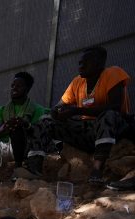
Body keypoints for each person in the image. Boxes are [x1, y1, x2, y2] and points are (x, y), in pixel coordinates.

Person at [24, 46, 132, 184]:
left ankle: (97, 170)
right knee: (45, 120)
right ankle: (34, 167)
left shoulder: (112, 73)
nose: (81, 65)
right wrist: (57, 114)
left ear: (99, 63)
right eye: (80, 62)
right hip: (87, 132)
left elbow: (115, 106)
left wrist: (77, 110)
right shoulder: (77, 82)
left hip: (114, 130)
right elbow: (58, 106)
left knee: (108, 115)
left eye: (86, 62)